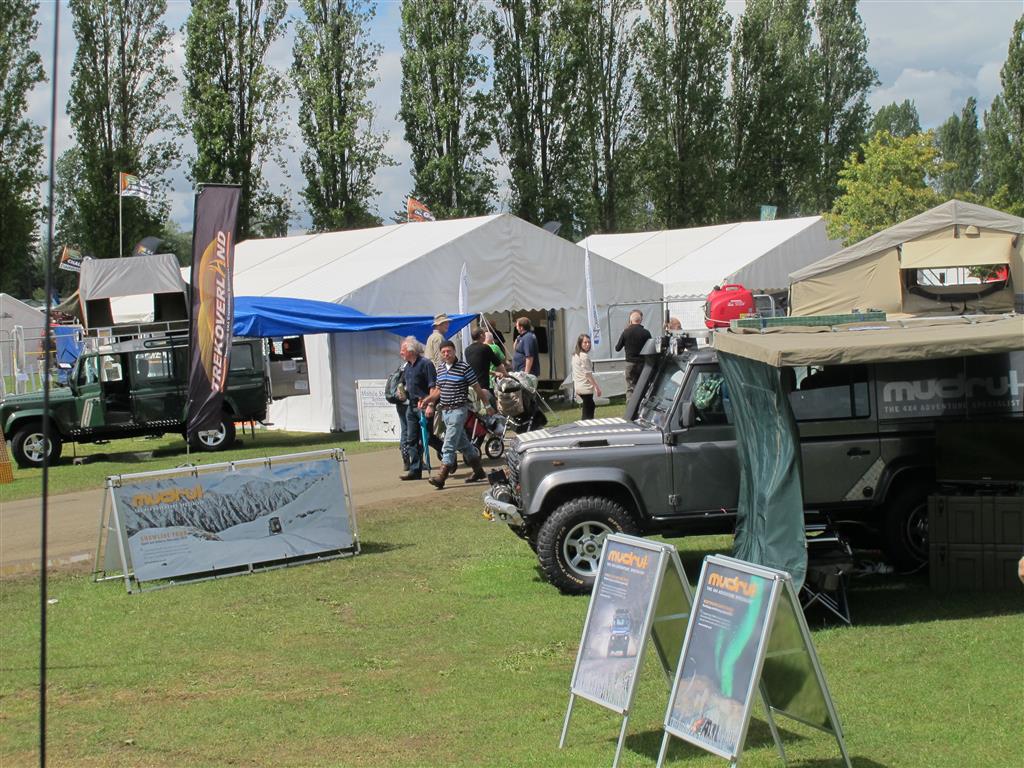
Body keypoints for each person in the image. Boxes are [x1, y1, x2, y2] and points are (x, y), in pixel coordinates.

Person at [423, 340, 493, 489]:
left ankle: (441, 476)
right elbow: (438, 390)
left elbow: (477, 387)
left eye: (449, 351)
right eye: (443, 352)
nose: (446, 354)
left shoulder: (464, 367)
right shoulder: (441, 368)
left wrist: (487, 405)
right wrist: (428, 400)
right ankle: (479, 471)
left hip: (459, 410)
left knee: (448, 444)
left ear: (454, 351)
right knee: (464, 445)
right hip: (445, 411)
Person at [398, 336, 436, 481]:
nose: (401, 353)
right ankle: (415, 470)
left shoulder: (426, 364)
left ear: (411, 350)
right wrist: (402, 393)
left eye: (403, 350)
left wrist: (430, 405)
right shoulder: (407, 367)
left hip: (424, 405)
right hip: (411, 406)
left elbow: (433, 387)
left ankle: (448, 458)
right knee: (411, 439)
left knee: (429, 437)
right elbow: (404, 385)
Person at [615, 309, 652, 399]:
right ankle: (642, 405)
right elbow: (651, 348)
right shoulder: (646, 333)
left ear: (630, 320)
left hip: (630, 363)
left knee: (631, 387)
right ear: (641, 320)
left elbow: (617, 348)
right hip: (642, 364)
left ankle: (630, 405)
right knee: (643, 386)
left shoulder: (626, 332)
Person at [464, 327, 505, 398]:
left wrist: (494, 373)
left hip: (472, 385)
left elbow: (478, 367)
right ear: (481, 335)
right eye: (484, 334)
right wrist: (506, 375)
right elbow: (498, 364)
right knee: (490, 403)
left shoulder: (467, 350)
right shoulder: (485, 348)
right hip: (483, 386)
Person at [572, 334, 602, 420]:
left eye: (589, 342)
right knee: (588, 409)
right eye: (585, 342)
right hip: (585, 387)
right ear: (580, 343)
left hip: (578, 386)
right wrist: (596, 387)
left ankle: (585, 424)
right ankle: (586, 425)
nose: (588, 344)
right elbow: (588, 374)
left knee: (589, 406)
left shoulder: (575, 355)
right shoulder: (584, 356)